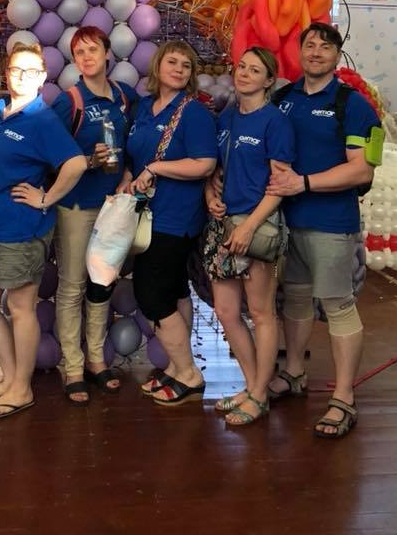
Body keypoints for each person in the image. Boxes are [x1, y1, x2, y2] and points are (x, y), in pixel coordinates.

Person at [266, 23, 382, 439]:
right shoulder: (282, 99)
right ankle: (294, 373)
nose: (316, 52)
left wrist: (304, 183)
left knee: (337, 305)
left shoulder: (353, 105)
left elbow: (362, 170)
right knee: (295, 299)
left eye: (325, 46)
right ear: (299, 52)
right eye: (309, 45)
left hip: (332, 223)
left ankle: (344, 397)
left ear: (337, 55)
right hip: (286, 222)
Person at [0, 42, 86, 420]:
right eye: (16, 70)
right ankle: (10, 376)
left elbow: (76, 164)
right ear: (7, 73)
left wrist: (45, 198)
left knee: (19, 308)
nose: (22, 77)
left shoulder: (42, 119)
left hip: (22, 228)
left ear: (42, 77)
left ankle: (22, 388)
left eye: (31, 72)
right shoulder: (0, 112)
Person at [203, 47, 295, 426]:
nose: (243, 74)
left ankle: (259, 394)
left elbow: (280, 185)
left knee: (260, 312)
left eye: (255, 70)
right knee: (226, 312)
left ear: (269, 80)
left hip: (257, 226)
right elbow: (215, 171)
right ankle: (251, 384)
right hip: (224, 225)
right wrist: (210, 196)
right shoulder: (226, 117)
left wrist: (249, 226)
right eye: (241, 66)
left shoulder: (275, 122)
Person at [127, 41, 217, 407]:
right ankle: (178, 367)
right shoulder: (143, 108)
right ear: (157, 66)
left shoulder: (193, 112)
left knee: (153, 296)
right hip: (148, 214)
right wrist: (130, 177)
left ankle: (189, 374)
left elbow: (205, 163)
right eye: (172, 61)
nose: (179, 69)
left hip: (174, 218)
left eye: (186, 65)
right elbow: (136, 156)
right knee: (176, 291)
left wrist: (156, 168)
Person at [50, 27, 138, 405]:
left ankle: (96, 360)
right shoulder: (69, 101)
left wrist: (129, 173)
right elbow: (50, 156)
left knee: (102, 284)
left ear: (107, 54)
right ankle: (73, 367)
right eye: (79, 52)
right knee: (72, 287)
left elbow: (139, 143)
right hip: (75, 207)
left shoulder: (125, 97)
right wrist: (88, 160)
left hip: (112, 207)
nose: (86, 57)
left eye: (93, 50)